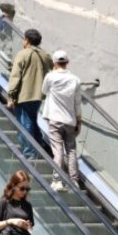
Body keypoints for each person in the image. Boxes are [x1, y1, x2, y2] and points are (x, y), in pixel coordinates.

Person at [6, 29, 53, 159]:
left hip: (24, 95)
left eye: (24, 39)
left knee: (24, 124)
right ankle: (39, 144)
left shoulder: (23, 54)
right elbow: (53, 66)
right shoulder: (44, 55)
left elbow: (15, 76)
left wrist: (11, 95)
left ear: (26, 40)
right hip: (38, 96)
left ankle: (29, 153)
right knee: (32, 120)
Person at [41, 50, 82, 192]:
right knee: (71, 150)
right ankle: (74, 181)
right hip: (70, 120)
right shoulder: (75, 79)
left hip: (55, 119)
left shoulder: (50, 77)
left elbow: (44, 91)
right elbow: (77, 102)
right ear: (67, 63)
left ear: (54, 62)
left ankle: (57, 180)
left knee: (58, 150)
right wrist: (79, 121)